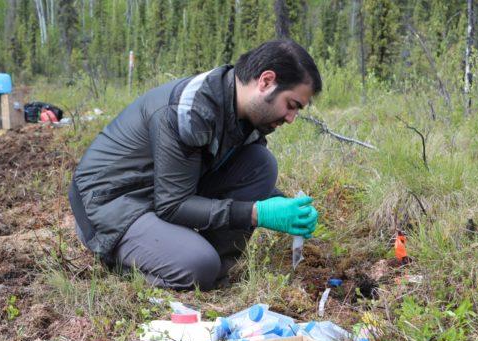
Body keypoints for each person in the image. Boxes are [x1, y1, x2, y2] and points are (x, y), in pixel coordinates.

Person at [68, 39, 322, 290]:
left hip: (158, 192)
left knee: (260, 163)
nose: (291, 118)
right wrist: (257, 213)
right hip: (111, 203)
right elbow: (172, 205)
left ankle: (209, 269)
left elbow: (235, 177)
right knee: (199, 265)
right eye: (291, 105)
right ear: (266, 81)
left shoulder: (242, 112)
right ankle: (132, 258)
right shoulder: (190, 110)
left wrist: (283, 206)